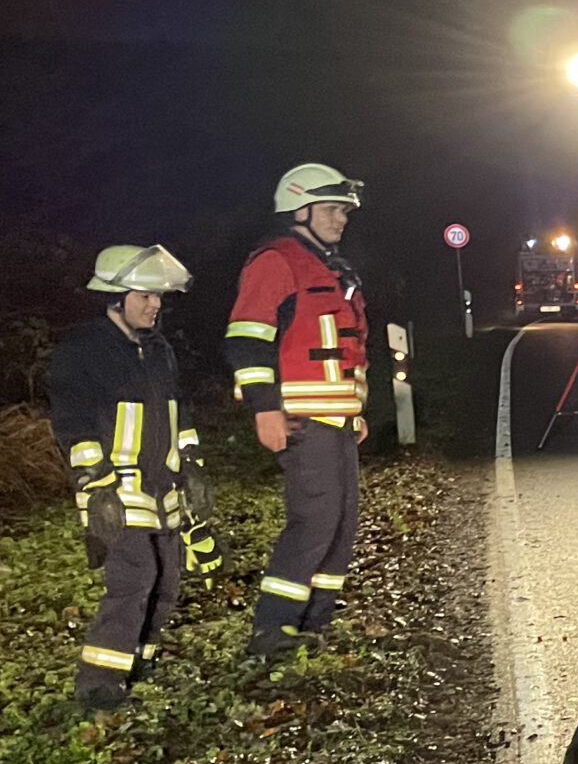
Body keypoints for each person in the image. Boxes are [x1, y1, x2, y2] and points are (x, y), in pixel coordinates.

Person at [48, 245, 207, 711]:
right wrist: (95, 483)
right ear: (116, 297)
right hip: (115, 490)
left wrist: (192, 465)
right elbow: (73, 422)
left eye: (159, 297)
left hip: (164, 487)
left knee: (168, 578)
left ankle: (139, 660)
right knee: (134, 577)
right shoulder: (85, 351)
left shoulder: (158, 349)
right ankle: (98, 683)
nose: (155, 305)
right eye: (145, 296)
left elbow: (179, 412)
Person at [226, 162, 369, 665]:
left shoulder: (332, 266)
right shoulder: (276, 261)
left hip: (337, 419)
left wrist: (355, 409)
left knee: (341, 522)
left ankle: (314, 621)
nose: (342, 218)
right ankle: (271, 632)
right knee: (313, 521)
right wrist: (264, 409)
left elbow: (349, 347)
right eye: (332, 209)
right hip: (302, 419)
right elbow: (247, 340)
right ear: (299, 209)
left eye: (344, 211)